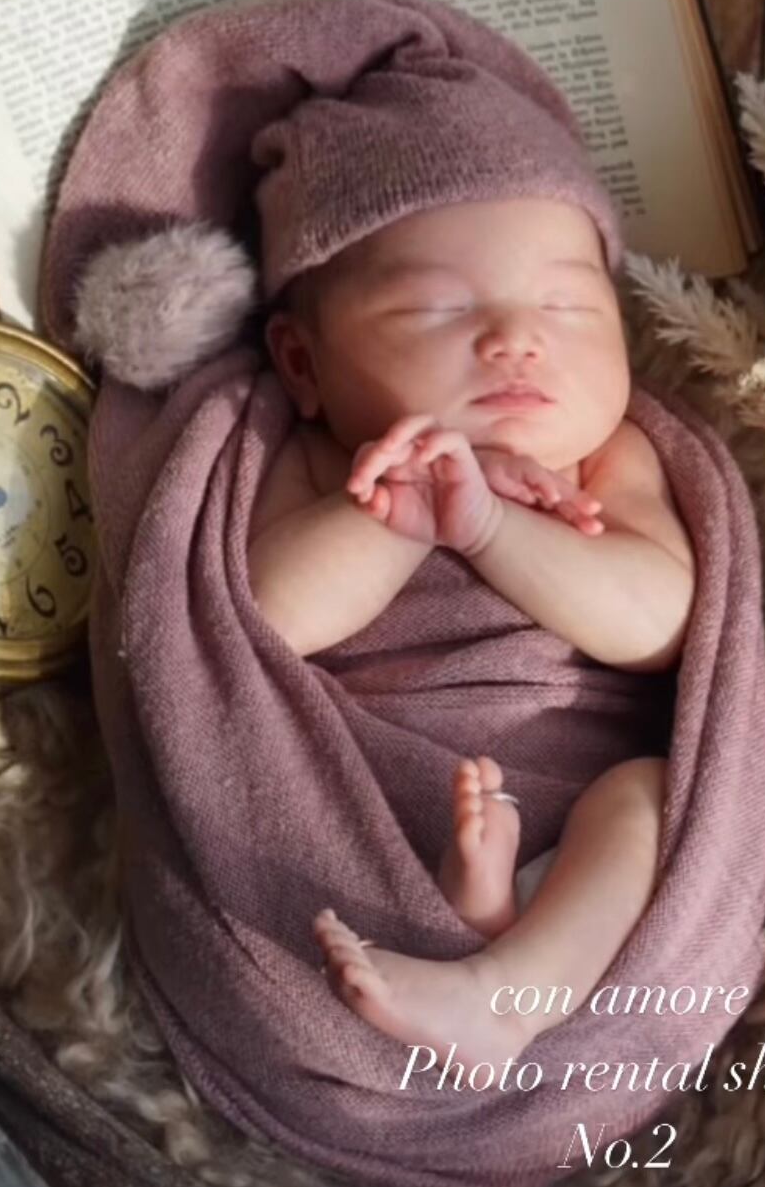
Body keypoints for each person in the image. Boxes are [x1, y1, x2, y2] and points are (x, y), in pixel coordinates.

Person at [247, 189, 696, 1070]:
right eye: (437, 307)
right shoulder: (316, 462)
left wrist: (490, 525)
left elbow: (661, 623)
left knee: (653, 799)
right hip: (366, 800)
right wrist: (405, 511)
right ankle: (460, 919)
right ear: (302, 363)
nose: (516, 339)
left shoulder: (605, 458)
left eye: (567, 304)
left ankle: (504, 987)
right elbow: (267, 617)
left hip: (576, 832)